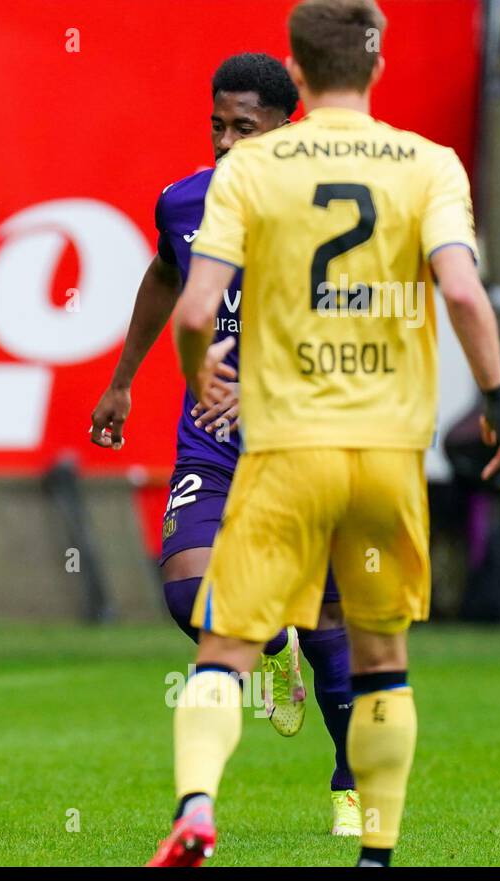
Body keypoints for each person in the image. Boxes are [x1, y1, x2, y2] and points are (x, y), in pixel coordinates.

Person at [149, 0, 500, 867]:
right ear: (378, 64)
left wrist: (197, 366)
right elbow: (464, 295)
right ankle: (377, 859)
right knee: (381, 660)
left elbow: (196, 306)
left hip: (285, 445)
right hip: (386, 454)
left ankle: (198, 804)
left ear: (299, 72)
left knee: (222, 648)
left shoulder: (249, 171)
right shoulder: (429, 165)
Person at [91, 53, 360, 836]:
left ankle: (349, 782)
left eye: (245, 127)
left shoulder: (333, 213)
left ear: (288, 127)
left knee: (333, 630)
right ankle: (268, 643)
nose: (225, 142)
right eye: (217, 125)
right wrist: (122, 381)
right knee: (189, 593)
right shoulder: (184, 204)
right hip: (213, 441)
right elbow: (164, 278)